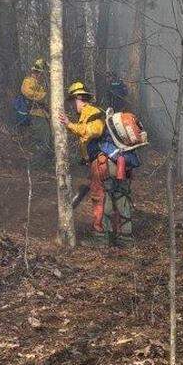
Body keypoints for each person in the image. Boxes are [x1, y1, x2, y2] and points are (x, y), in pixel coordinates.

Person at [58, 81, 115, 245]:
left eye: (72, 101)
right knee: (101, 195)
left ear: (79, 98)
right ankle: (109, 233)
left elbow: (94, 130)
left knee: (99, 197)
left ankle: (101, 237)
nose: (71, 105)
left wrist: (69, 124)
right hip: (97, 162)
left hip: (103, 161)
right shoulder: (84, 115)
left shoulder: (93, 112)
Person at [19, 58, 52, 160]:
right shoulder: (28, 81)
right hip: (36, 113)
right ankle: (38, 161)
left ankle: (46, 158)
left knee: (48, 137)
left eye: (40, 73)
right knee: (41, 138)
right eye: (37, 72)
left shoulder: (42, 84)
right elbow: (27, 92)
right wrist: (43, 96)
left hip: (45, 114)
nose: (39, 75)